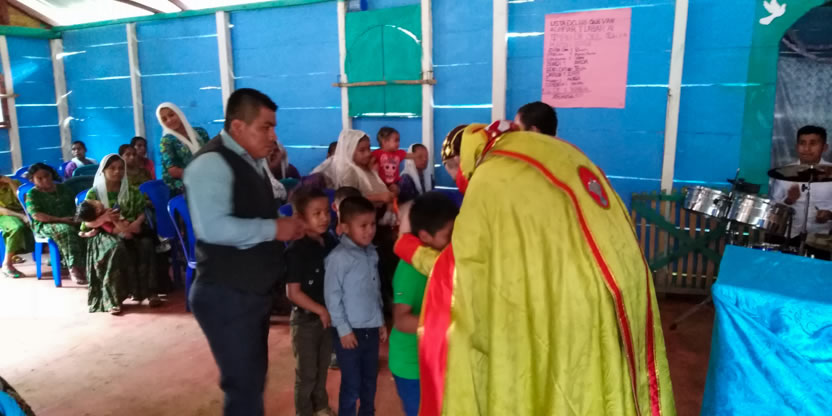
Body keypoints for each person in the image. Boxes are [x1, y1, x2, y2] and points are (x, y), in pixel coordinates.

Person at [394, 122, 675, 415]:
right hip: (616, 286)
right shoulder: (550, 152)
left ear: (460, 161)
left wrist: (409, 248)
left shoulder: (492, 178)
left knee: (555, 378)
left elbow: (462, 274)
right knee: (600, 376)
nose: (457, 179)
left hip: (559, 302)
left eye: (453, 170)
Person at [184, 88, 305, 416]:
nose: (273, 135)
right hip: (226, 293)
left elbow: (250, 210)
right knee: (243, 387)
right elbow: (212, 228)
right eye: (265, 127)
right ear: (238, 127)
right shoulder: (210, 163)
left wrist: (286, 224)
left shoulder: (251, 160)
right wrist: (273, 229)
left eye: (273, 127)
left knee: (251, 381)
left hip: (249, 291)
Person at [390, 192, 457, 416]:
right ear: (425, 236)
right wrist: (449, 325)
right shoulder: (410, 269)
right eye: (449, 235)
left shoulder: (442, 260)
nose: (454, 241)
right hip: (412, 366)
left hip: (432, 360)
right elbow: (401, 320)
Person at [324, 196, 387, 416]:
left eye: (372, 224)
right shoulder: (338, 258)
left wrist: (380, 321)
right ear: (344, 227)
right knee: (352, 384)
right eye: (363, 225)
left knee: (370, 380)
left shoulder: (371, 252)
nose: (370, 231)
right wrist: (343, 330)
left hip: (371, 329)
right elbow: (332, 297)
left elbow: (375, 291)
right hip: (350, 332)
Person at [82, 154, 159, 314]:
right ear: (103, 171)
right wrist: (104, 219)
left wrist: (136, 224)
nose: (117, 172)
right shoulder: (94, 194)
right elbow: (87, 223)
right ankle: (113, 299)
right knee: (116, 247)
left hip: (131, 228)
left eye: (120, 168)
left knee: (146, 244)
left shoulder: (132, 191)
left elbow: (142, 212)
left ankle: (150, 292)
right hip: (104, 232)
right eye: (112, 168)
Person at [285, 187, 338, 416]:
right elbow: (293, 293)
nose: (324, 218)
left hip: (326, 318)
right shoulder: (296, 251)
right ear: (300, 218)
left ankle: (321, 407)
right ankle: (304, 412)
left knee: (322, 367)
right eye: (317, 213)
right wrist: (321, 310)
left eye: (326, 211)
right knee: (306, 374)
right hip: (305, 322)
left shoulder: (329, 241)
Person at [24, 163, 87, 285]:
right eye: (39, 178)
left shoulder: (63, 188)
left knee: (87, 227)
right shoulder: (32, 194)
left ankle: (87, 265)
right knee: (66, 230)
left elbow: (76, 206)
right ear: (32, 180)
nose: (45, 180)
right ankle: (74, 268)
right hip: (45, 224)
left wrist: (77, 218)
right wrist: (62, 220)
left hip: (70, 220)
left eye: (47, 175)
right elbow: (37, 215)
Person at [770, 125, 832, 242]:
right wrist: (789, 200)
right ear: (796, 146)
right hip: (788, 236)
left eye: (813, 143)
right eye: (802, 143)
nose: (807, 149)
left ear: (824, 147)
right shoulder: (784, 173)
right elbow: (772, 209)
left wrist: (829, 215)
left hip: (823, 240)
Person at [156, 102, 210, 195]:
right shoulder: (167, 141)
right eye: (164, 119)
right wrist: (199, 176)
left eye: (171, 115)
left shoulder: (200, 132)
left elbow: (211, 155)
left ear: (179, 113)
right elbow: (173, 171)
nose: (169, 120)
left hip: (206, 181)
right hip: (183, 188)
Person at [0, 176, 32, 278]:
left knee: (43, 223)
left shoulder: (15, 182)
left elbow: (23, 201)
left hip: (23, 211)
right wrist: (21, 216)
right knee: (17, 227)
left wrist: (11, 183)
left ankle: (59, 257)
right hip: (4, 216)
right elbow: (2, 211)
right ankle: (7, 264)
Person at [371, 127, 412, 192]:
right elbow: (369, 163)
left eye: (398, 141)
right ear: (384, 142)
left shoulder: (398, 153)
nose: (398, 143)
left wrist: (417, 155)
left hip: (394, 183)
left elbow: (409, 155)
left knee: (396, 189)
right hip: (380, 183)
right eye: (396, 141)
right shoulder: (376, 153)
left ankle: (394, 198)